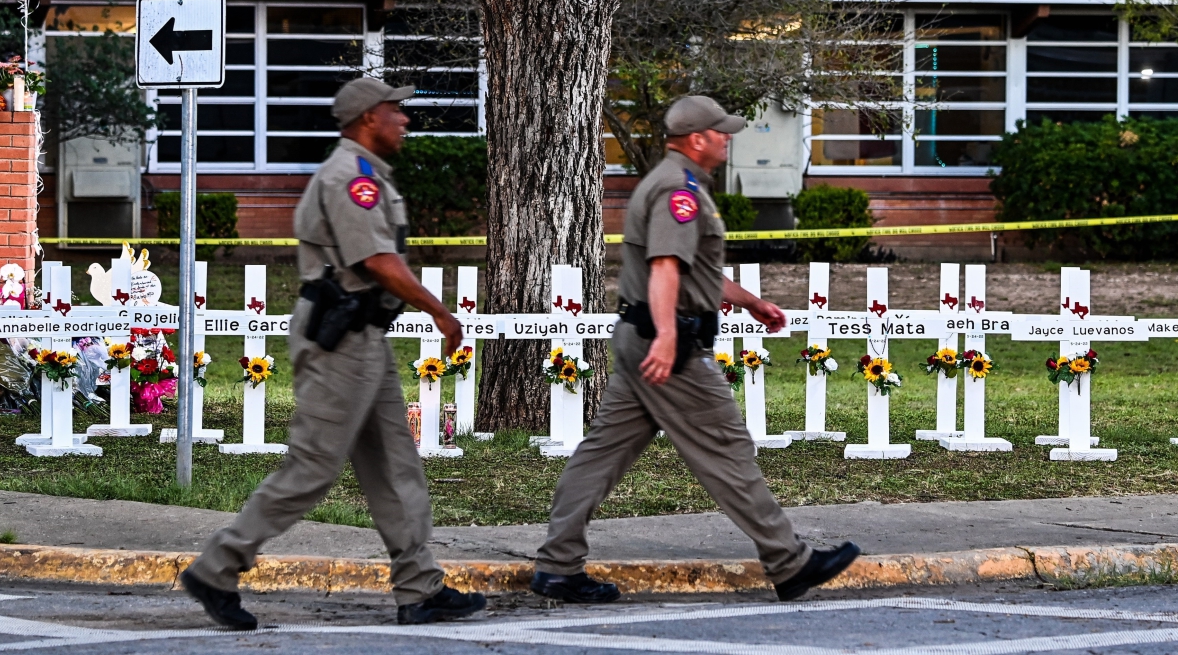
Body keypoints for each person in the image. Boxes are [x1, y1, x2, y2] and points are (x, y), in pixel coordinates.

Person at [181, 78, 487, 629]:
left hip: (363, 337)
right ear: (368, 117)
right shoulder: (351, 178)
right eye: (396, 110)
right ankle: (217, 567)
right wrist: (440, 311)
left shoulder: (365, 174)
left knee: (397, 466)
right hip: (339, 342)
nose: (405, 119)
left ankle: (420, 589)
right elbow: (377, 261)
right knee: (313, 467)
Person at [531, 95, 860, 604]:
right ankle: (789, 562)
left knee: (600, 455)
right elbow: (665, 267)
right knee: (727, 448)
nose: (729, 138)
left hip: (648, 337)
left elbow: (692, 270)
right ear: (696, 139)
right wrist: (667, 337)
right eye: (721, 131)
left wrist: (750, 301)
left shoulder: (681, 184)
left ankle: (556, 565)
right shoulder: (676, 189)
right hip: (672, 346)